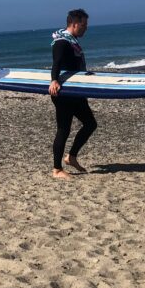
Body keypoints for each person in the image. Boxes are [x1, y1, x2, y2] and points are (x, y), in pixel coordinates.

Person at [49, 9, 97, 178]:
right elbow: (57, 61)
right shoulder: (62, 42)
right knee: (63, 129)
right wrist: (54, 80)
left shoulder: (71, 40)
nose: (86, 28)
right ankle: (57, 170)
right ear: (75, 24)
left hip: (75, 91)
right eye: (84, 25)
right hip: (64, 92)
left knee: (90, 124)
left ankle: (71, 157)